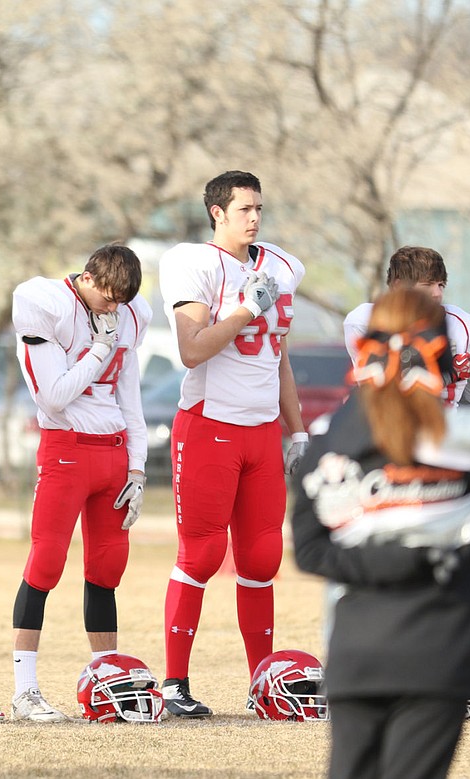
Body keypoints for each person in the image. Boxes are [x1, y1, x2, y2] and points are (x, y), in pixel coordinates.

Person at [292, 287, 470, 778]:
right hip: (439, 651)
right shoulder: (462, 439)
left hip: (356, 651)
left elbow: (308, 551)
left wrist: (386, 562)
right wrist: (424, 561)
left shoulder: (334, 439)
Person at [156, 170, 307, 717]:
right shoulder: (192, 262)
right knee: (200, 554)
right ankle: (174, 683)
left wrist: (297, 428)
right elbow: (191, 350)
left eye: (259, 208)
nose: (255, 218)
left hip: (263, 427)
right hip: (209, 424)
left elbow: (279, 356)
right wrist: (245, 309)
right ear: (217, 212)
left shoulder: (282, 265)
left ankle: (262, 683)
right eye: (244, 209)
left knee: (262, 558)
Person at [8, 244, 153, 722]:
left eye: (122, 303)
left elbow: (130, 401)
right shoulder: (44, 302)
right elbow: (52, 397)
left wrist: (137, 468)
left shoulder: (128, 313)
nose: (115, 309)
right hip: (66, 449)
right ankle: (24, 689)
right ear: (89, 278)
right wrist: (99, 349)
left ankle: (105, 678)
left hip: (113, 455)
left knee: (107, 569)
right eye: (110, 298)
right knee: (46, 562)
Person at [343, 246, 470, 407]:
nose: (437, 293)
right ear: (399, 286)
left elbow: (465, 391)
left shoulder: (459, 321)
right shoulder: (366, 320)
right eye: (428, 285)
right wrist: (453, 371)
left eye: (441, 285)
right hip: (388, 419)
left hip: (445, 422)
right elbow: (393, 383)